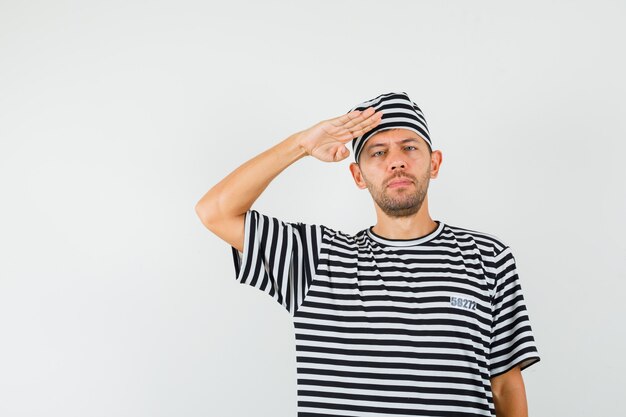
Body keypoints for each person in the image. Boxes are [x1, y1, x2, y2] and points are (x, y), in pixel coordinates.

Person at [195, 91, 541, 417]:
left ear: (434, 164)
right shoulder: (316, 259)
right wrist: (301, 145)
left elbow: (506, 384)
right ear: (358, 175)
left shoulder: (488, 257)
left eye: (409, 147)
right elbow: (215, 211)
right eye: (378, 152)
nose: (396, 162)